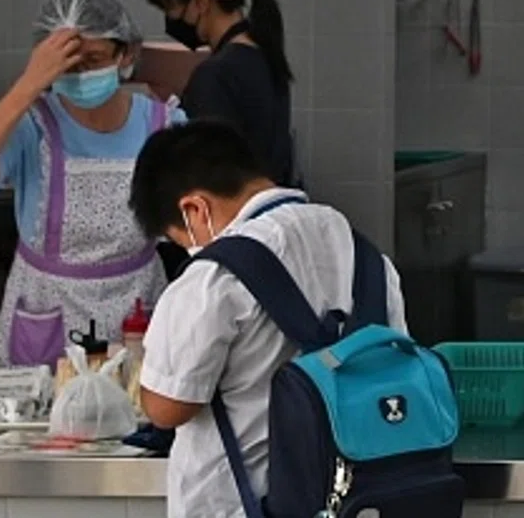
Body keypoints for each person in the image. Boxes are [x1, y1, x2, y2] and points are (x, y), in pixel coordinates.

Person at [130, 121, 408, 518]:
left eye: (180, 240)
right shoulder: (367, 258)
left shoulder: (213, 276)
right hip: (357, 501)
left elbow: (168, 408)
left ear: (195, 209)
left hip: (245, 506)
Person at [0, 0, 183, 367]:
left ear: (126, 54)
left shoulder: (163, 125)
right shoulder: (34, 124)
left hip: (136, 310)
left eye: (93, 59)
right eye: (68, 64)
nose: (81, 73)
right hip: (45, 311)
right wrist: (28, 85)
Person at [145, 0, 298, 188]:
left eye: (171, 9)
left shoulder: (216, 76)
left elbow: (208, 175)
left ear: (201, 2)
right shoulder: (262, 53)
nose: (171, 21)